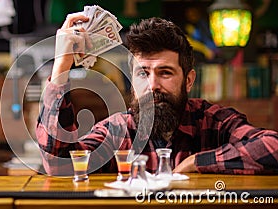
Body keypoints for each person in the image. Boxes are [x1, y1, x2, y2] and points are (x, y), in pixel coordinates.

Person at [35, 14, 278, 176]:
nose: (152, 85)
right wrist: (61, 68)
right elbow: (59, 164)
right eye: (143, 74)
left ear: (189, 81)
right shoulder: (118, 131)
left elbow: (273, 148)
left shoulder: (214, 122)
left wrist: (198, 162)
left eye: (165, 73)